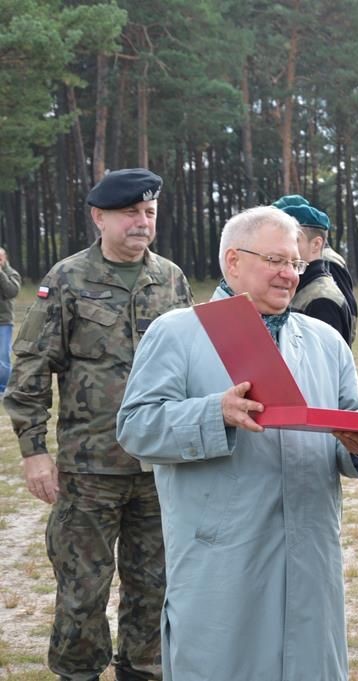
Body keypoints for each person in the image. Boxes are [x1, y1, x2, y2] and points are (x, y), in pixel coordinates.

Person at [116, 205, 358, 681]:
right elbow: (136, 427)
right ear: (233, 261)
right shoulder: (178, 333)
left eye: (296, 264)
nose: (289, 275)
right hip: (223, 557)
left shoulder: (325, 341)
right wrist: (212, 412)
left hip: (311, 555)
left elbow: (354, 416)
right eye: (277, 261)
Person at [4, 168, 193, 681]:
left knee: (155, 585)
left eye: (149, 213)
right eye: (130, 213)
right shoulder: (67, 279)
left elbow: (195, 362)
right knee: (82, 588)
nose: (141, 222)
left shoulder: (171, 279)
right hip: (90, 468)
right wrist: (34, 450)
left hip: (159, 466)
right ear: (99, 217)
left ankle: (144, 670)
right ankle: (79, 672)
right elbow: (30, 366)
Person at [273, 195, 358, 343]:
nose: (285, 246)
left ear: (316, 244)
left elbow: (323, 361)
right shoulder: (301, 285)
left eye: (294, 239)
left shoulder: (322, 300)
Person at [0, 246, 21, 393]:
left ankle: (3, 389)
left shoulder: (11, 274)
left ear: (4, 258)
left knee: (2, 357)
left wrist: (0, 274)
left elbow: (12, 292)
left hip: (3, 322)